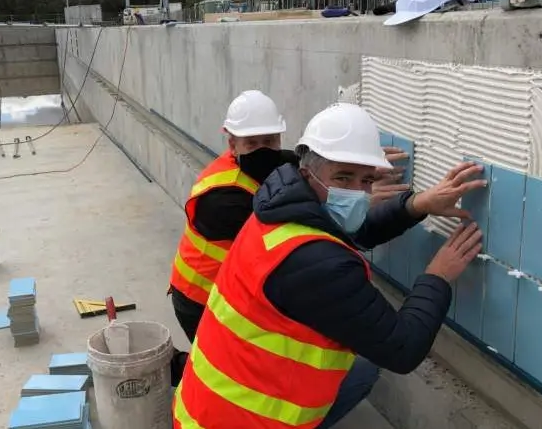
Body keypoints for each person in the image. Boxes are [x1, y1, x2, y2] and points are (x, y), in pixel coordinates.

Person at [173, 102, 487, 429]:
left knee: (360, 370)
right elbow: (402, 348)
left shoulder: (276, 209)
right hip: (234, 422)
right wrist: (437, 276)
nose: (357, 192)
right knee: (366, 368)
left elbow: (348, 231)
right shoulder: (316, 264)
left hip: (201, 410)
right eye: (343, 177)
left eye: (366, 180)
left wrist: (416, 204)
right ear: (308, 173)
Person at [168, 89, 295, 344]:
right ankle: (175, 369)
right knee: (221, 372)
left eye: (269, 141)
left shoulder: (261, 162)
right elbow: (287, 233)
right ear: (232, 145)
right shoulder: (223, 200)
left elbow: (301, 164)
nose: (263, 150)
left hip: (223, 292)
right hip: (200, 300)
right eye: (252, 144)